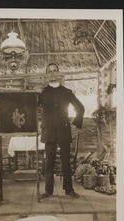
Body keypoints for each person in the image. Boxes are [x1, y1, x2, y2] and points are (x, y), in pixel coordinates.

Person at [39, 63, 85, 199]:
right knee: (49, 162)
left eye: (55, 71)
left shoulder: (67, 92)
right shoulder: (42, 93)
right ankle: (48, 190)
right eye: (50, 71)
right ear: (47, 75)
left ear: (59, 73)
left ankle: (69, 189)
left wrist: (75, 123)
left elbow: (80, 108)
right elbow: (32, 107)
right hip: (49, 131)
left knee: (66, 161)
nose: (52, 73)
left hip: (64, 130)